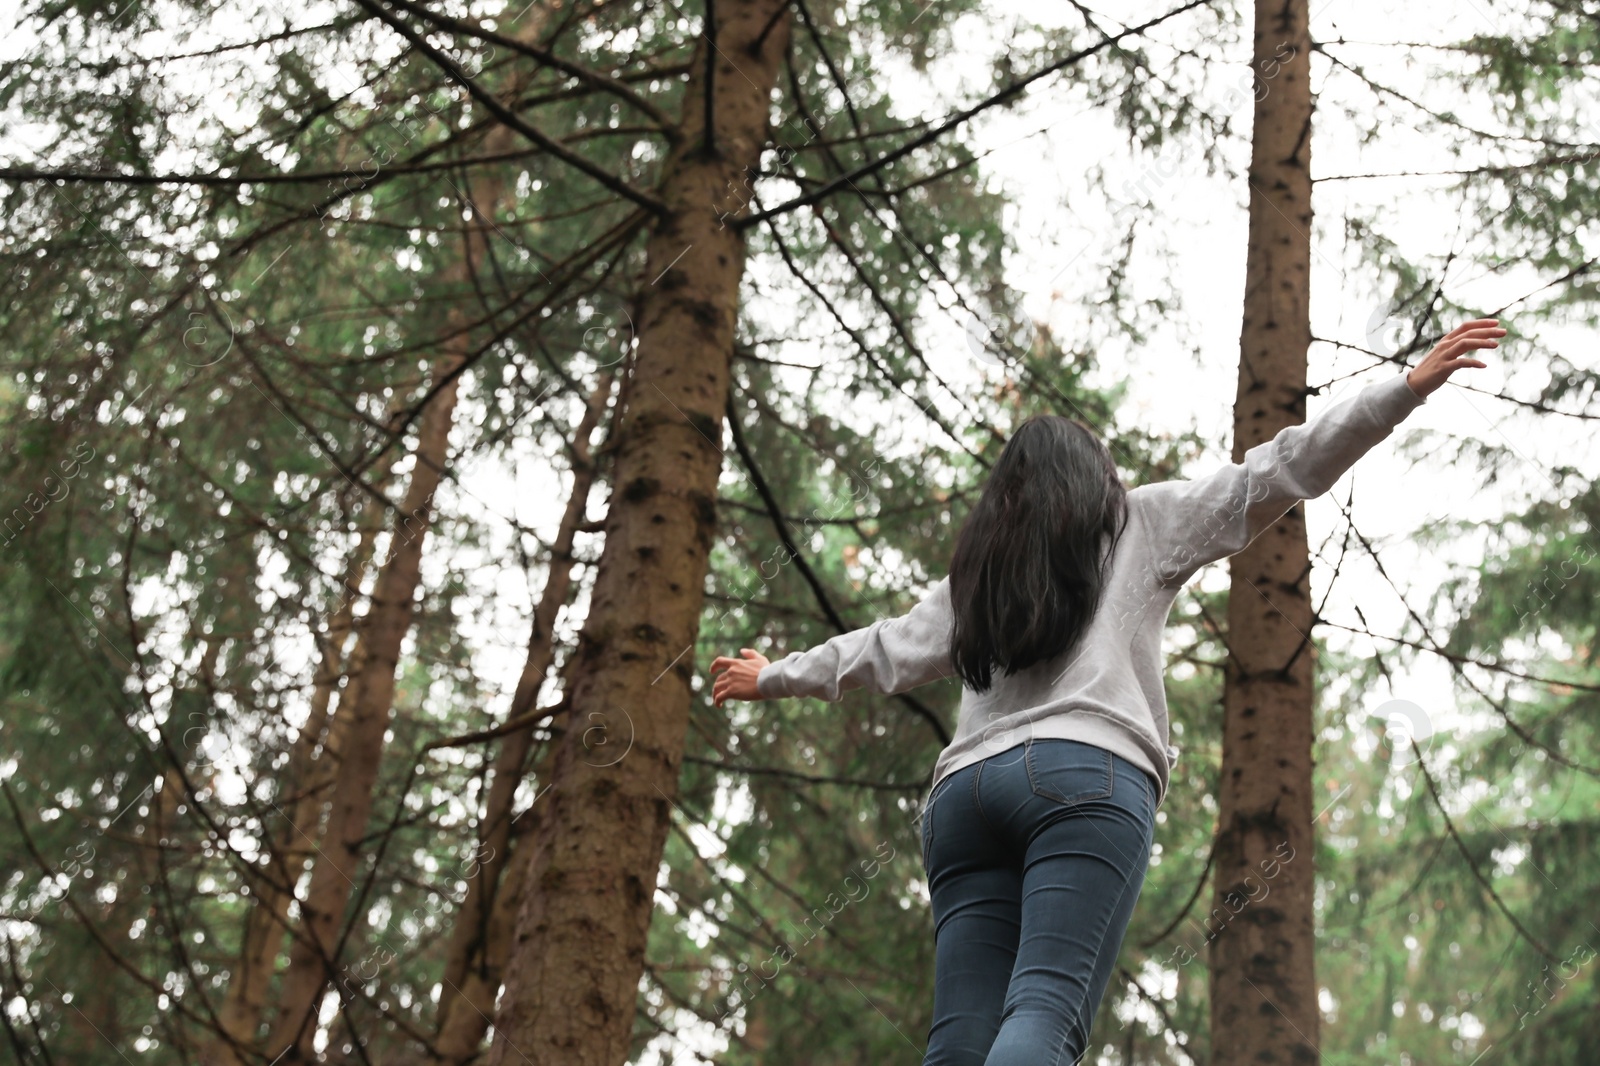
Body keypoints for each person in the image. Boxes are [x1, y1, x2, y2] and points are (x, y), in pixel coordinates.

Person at [709, 319, 1502, 1065]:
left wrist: (772, 675)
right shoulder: (1139, 521)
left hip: (963, 799)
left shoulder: (974, 576)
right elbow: (1276, 471)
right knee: (1046, 1007)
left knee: (959, 1037)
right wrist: (1401, 390)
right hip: (1085, 777)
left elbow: (881, 650)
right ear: (1092, 476)